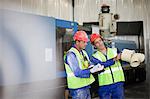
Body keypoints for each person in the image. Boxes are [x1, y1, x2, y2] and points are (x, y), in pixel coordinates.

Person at [64, 31, 104, 99]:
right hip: (77, 89)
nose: (86, 44)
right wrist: (91, 70)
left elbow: (88, 64)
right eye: (84, 42)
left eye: (86, 42)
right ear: (77, 42)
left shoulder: (84, 53)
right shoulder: (71, 55)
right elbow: (77, 72)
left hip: (86, 86)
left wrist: (95, 67)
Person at [90, 33, 125, 99]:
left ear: (103, 40)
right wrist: (114, 59)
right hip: (104, 85)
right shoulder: (94, 57)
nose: (100, 43)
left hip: (118, 83)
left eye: (100, 41)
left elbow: (124, 58)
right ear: (94, 45)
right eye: (97, 42)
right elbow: (101, 65)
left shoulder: (115, 50)